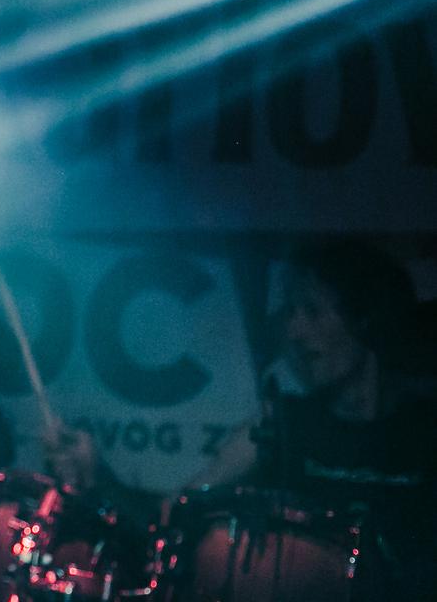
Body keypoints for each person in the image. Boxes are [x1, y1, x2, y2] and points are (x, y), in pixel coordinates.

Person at [44, 241, 436, 596]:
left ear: (366, 320)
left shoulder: (425, 432)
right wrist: (100, 476)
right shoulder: (279, 424)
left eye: (313, 311)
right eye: (291, 312)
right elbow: (174, 514)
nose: (294, 330)